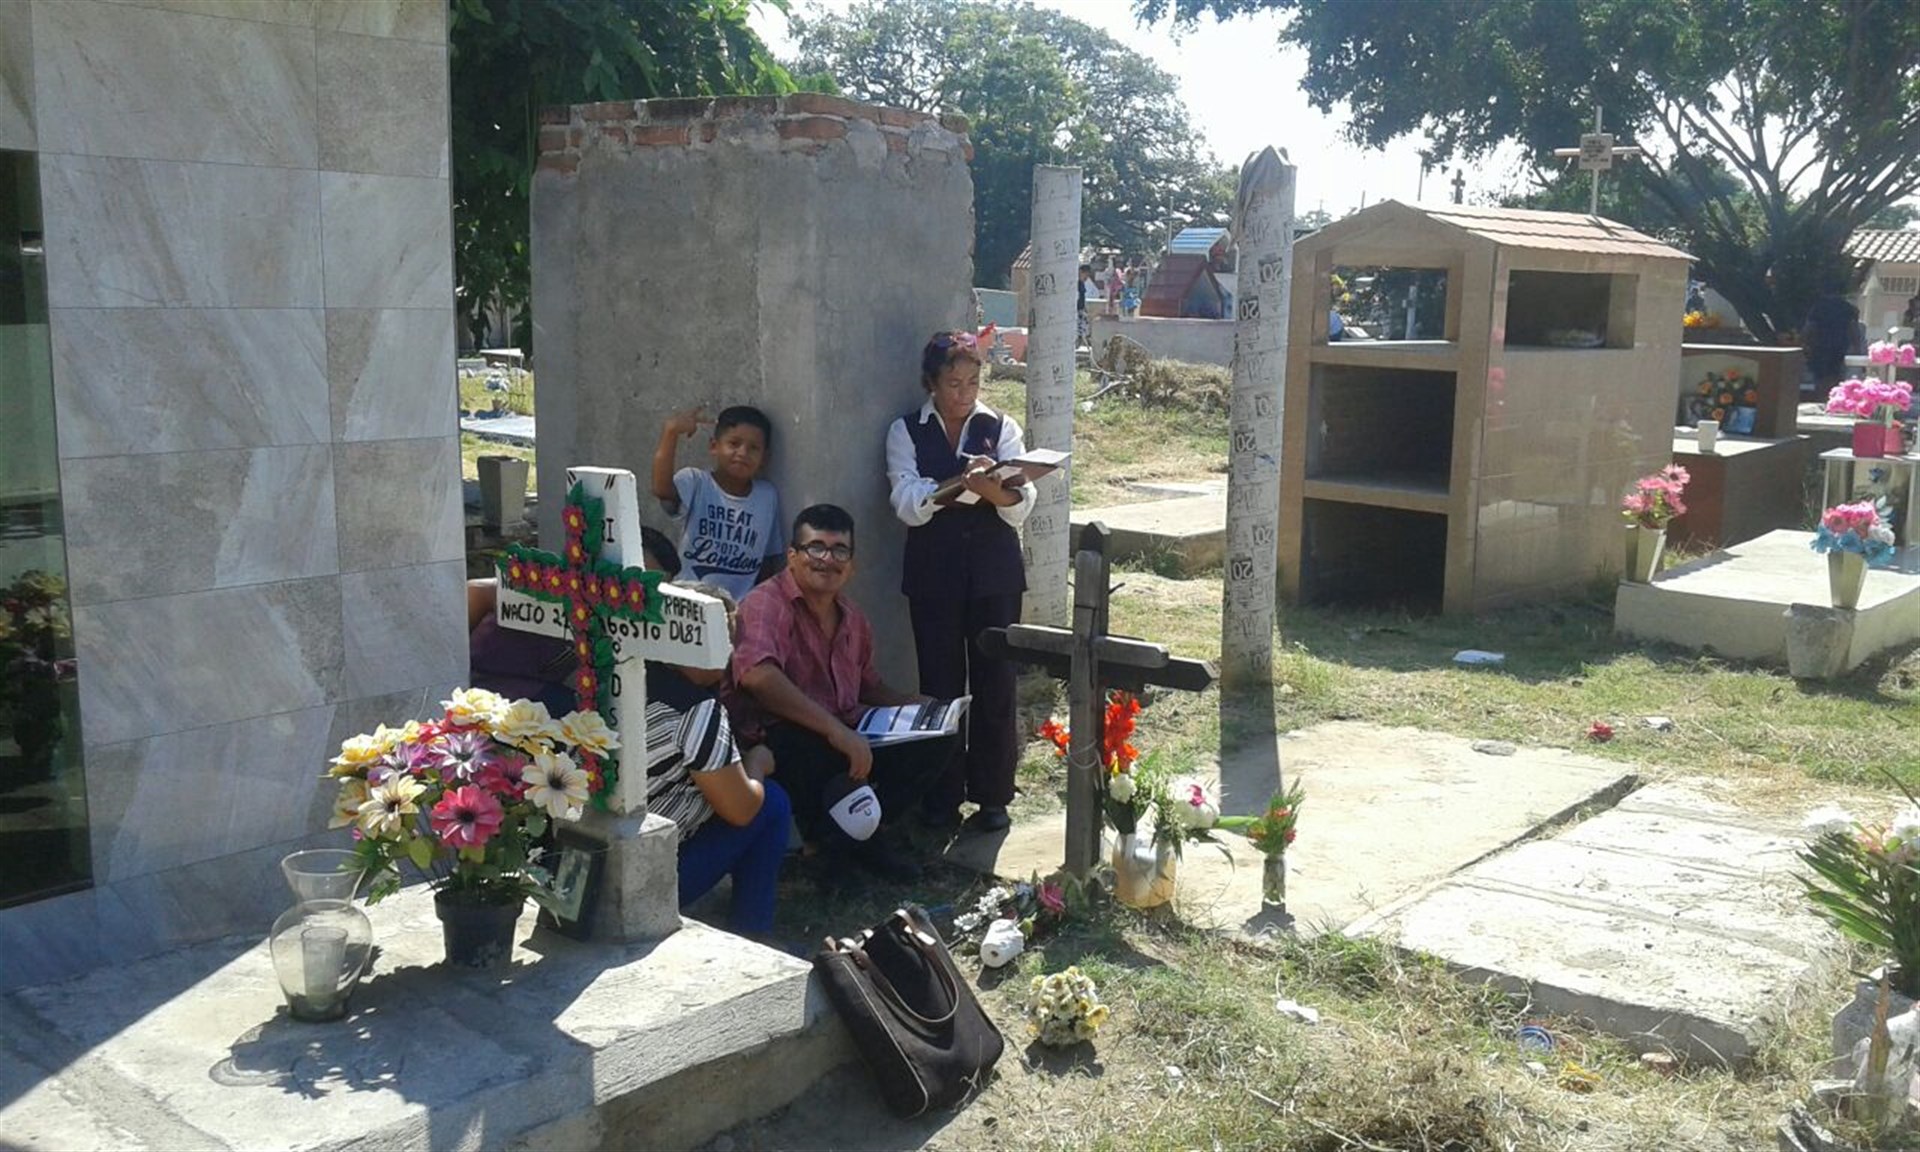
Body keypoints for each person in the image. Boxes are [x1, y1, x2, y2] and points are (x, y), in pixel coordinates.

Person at [730, 504, 953, 880]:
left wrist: (917, 706)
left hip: (845, 730)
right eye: (816, 548)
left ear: (851, 563)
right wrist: (836, 731)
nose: (827, 560)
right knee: (824, 756)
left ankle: (865, 836)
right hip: (779, 734)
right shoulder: (765, 603)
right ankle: (834, 852)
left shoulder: (853, 618)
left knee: (936, 739)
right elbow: (757, 676)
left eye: (839, 551)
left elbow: (869, 685)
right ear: (793, 556)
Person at [884, 331, 1032, 834]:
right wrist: (957, 487)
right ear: (931, 383)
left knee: (996, 683)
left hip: (994, 574)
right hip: (934, 577)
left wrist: (992, 487)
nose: (964, 393)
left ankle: (993, 796)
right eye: (953, 383)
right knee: (941, 687)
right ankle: (941, 796)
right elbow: (906, 502)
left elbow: (1021, 505)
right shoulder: (905, 431)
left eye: (972, 382)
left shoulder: (1000, 426)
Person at [644, 581, 788, 938]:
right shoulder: (696, 713)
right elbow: (742, 810)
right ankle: (753, 936)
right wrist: (757, 764)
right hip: (641, 886)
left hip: (586, 867)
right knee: (772, 805)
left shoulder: (621, 677)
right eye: (728, 640)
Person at [467, 527, 682, 713]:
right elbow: (477, 591)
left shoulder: (624, 621)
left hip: (533, 692)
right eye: (642, 583)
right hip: (479, 682)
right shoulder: (558, 585)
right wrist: (448, 673)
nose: (644, 598)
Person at [651, 404, 785, 602]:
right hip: (690, 600)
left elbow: (768, 561)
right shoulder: (697, 482)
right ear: (714, 446)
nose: (742, 453)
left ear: (764, 457)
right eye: (734, 443)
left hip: (738, 611)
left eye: (753, 448)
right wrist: (671, 432)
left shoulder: (767, 496)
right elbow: (662, 490)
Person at [1803, 282, 1862, 394]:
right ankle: (1833, 398)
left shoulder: (1818, 306)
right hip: (1840, 345)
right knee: (1835, 374)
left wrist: (1804, 343)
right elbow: (1853, 328)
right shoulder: (1846, 307)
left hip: (1820, 345)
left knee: (1820, 376)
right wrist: (1856, 346)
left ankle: (1821, 399)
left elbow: (1810, 327)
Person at [1076, 263, 1097, 347]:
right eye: (1085, 275)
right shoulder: (1076, 283)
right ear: (1080, 272)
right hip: (1076, 311)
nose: (1086, 278)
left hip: (1080, 310)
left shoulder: (1082, 284)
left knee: (1084, 328)